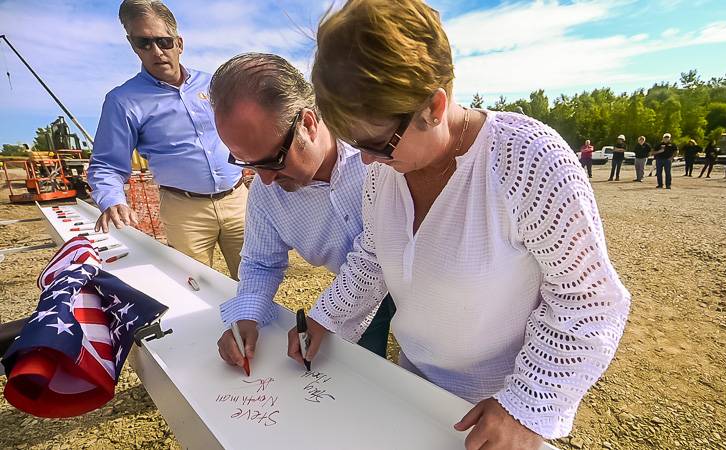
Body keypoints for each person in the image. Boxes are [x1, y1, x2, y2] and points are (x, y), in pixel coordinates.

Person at [290, 1, 631, 447]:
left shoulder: (528, 159)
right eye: (353, 143)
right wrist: (325, 319)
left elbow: (588, 300)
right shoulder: (382, 171)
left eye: (376, 143)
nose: (367, 160)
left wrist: (525, 405)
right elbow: (374, 256)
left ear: (434, 105)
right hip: (413, 386)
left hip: (500, 408)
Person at [209, 53, 395, 369]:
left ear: (307, 123)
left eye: (271, 160)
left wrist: (326, 315)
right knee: (363, 372)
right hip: (353, 297)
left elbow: (380, 251)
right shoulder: (265, 192)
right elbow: (260, 262)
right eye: (248, 164)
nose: (265, 179)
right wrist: (246, 317)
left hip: (426, 288)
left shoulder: (377, 151)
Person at [87, 0, 247, 278]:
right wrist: (111, 199)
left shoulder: (215, 84)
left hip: (239, 200)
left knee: (256, 278)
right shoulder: (123, 101)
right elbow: (106, 165)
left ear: (179, 43)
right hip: (184, 212)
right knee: (195, 286)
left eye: (163, 41)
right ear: (132, 45)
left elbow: (246, 129)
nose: (156, 51)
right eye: (144, 43)